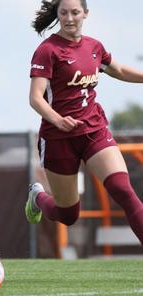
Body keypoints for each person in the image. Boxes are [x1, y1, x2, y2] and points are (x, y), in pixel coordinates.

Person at [25, 0, 143, 246]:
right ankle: (38, 197)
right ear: (58, 15)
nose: (69, 18)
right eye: (64, 13)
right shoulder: (47, 50)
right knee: (68, 216)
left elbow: (119, 70)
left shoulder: (94, 47)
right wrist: (58, 120)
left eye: (75, 12)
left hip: (94, 131)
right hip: (58, 138)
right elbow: (35, 98)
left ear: (85, 14)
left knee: (123, 190)